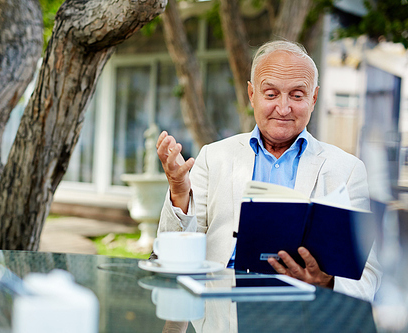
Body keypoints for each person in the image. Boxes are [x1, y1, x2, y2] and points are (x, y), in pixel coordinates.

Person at [155, 40, 381, 302]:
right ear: (252, 95)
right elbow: (174, 255)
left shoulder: (347, 169)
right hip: (222, 308)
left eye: (297, 95)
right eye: (271, 94)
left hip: (303, 310)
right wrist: (179, 192)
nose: (283, 109)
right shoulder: (213, 157)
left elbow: (369, 274)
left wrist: (327, 283)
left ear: (314, 98)